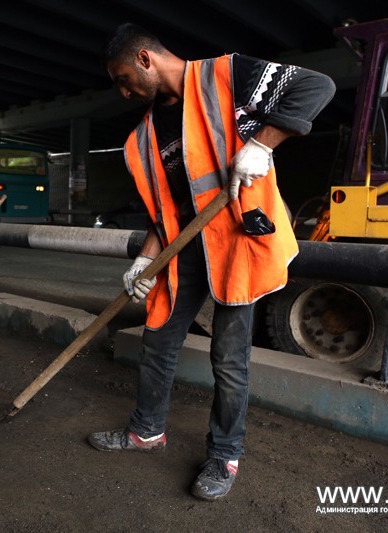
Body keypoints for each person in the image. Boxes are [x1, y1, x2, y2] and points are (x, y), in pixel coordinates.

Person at [88, 23, 335, 501]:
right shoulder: (143, 138)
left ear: (145, 60)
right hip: (187, 251)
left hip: (239, 244)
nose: (123, 92)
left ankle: (225, 455)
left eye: (124, 79)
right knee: (158, 339)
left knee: (229, 357)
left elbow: (316, 86)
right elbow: (166, 212)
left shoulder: (227, 76)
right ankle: (147, 431)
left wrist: (262, 144)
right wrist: (143, 262)